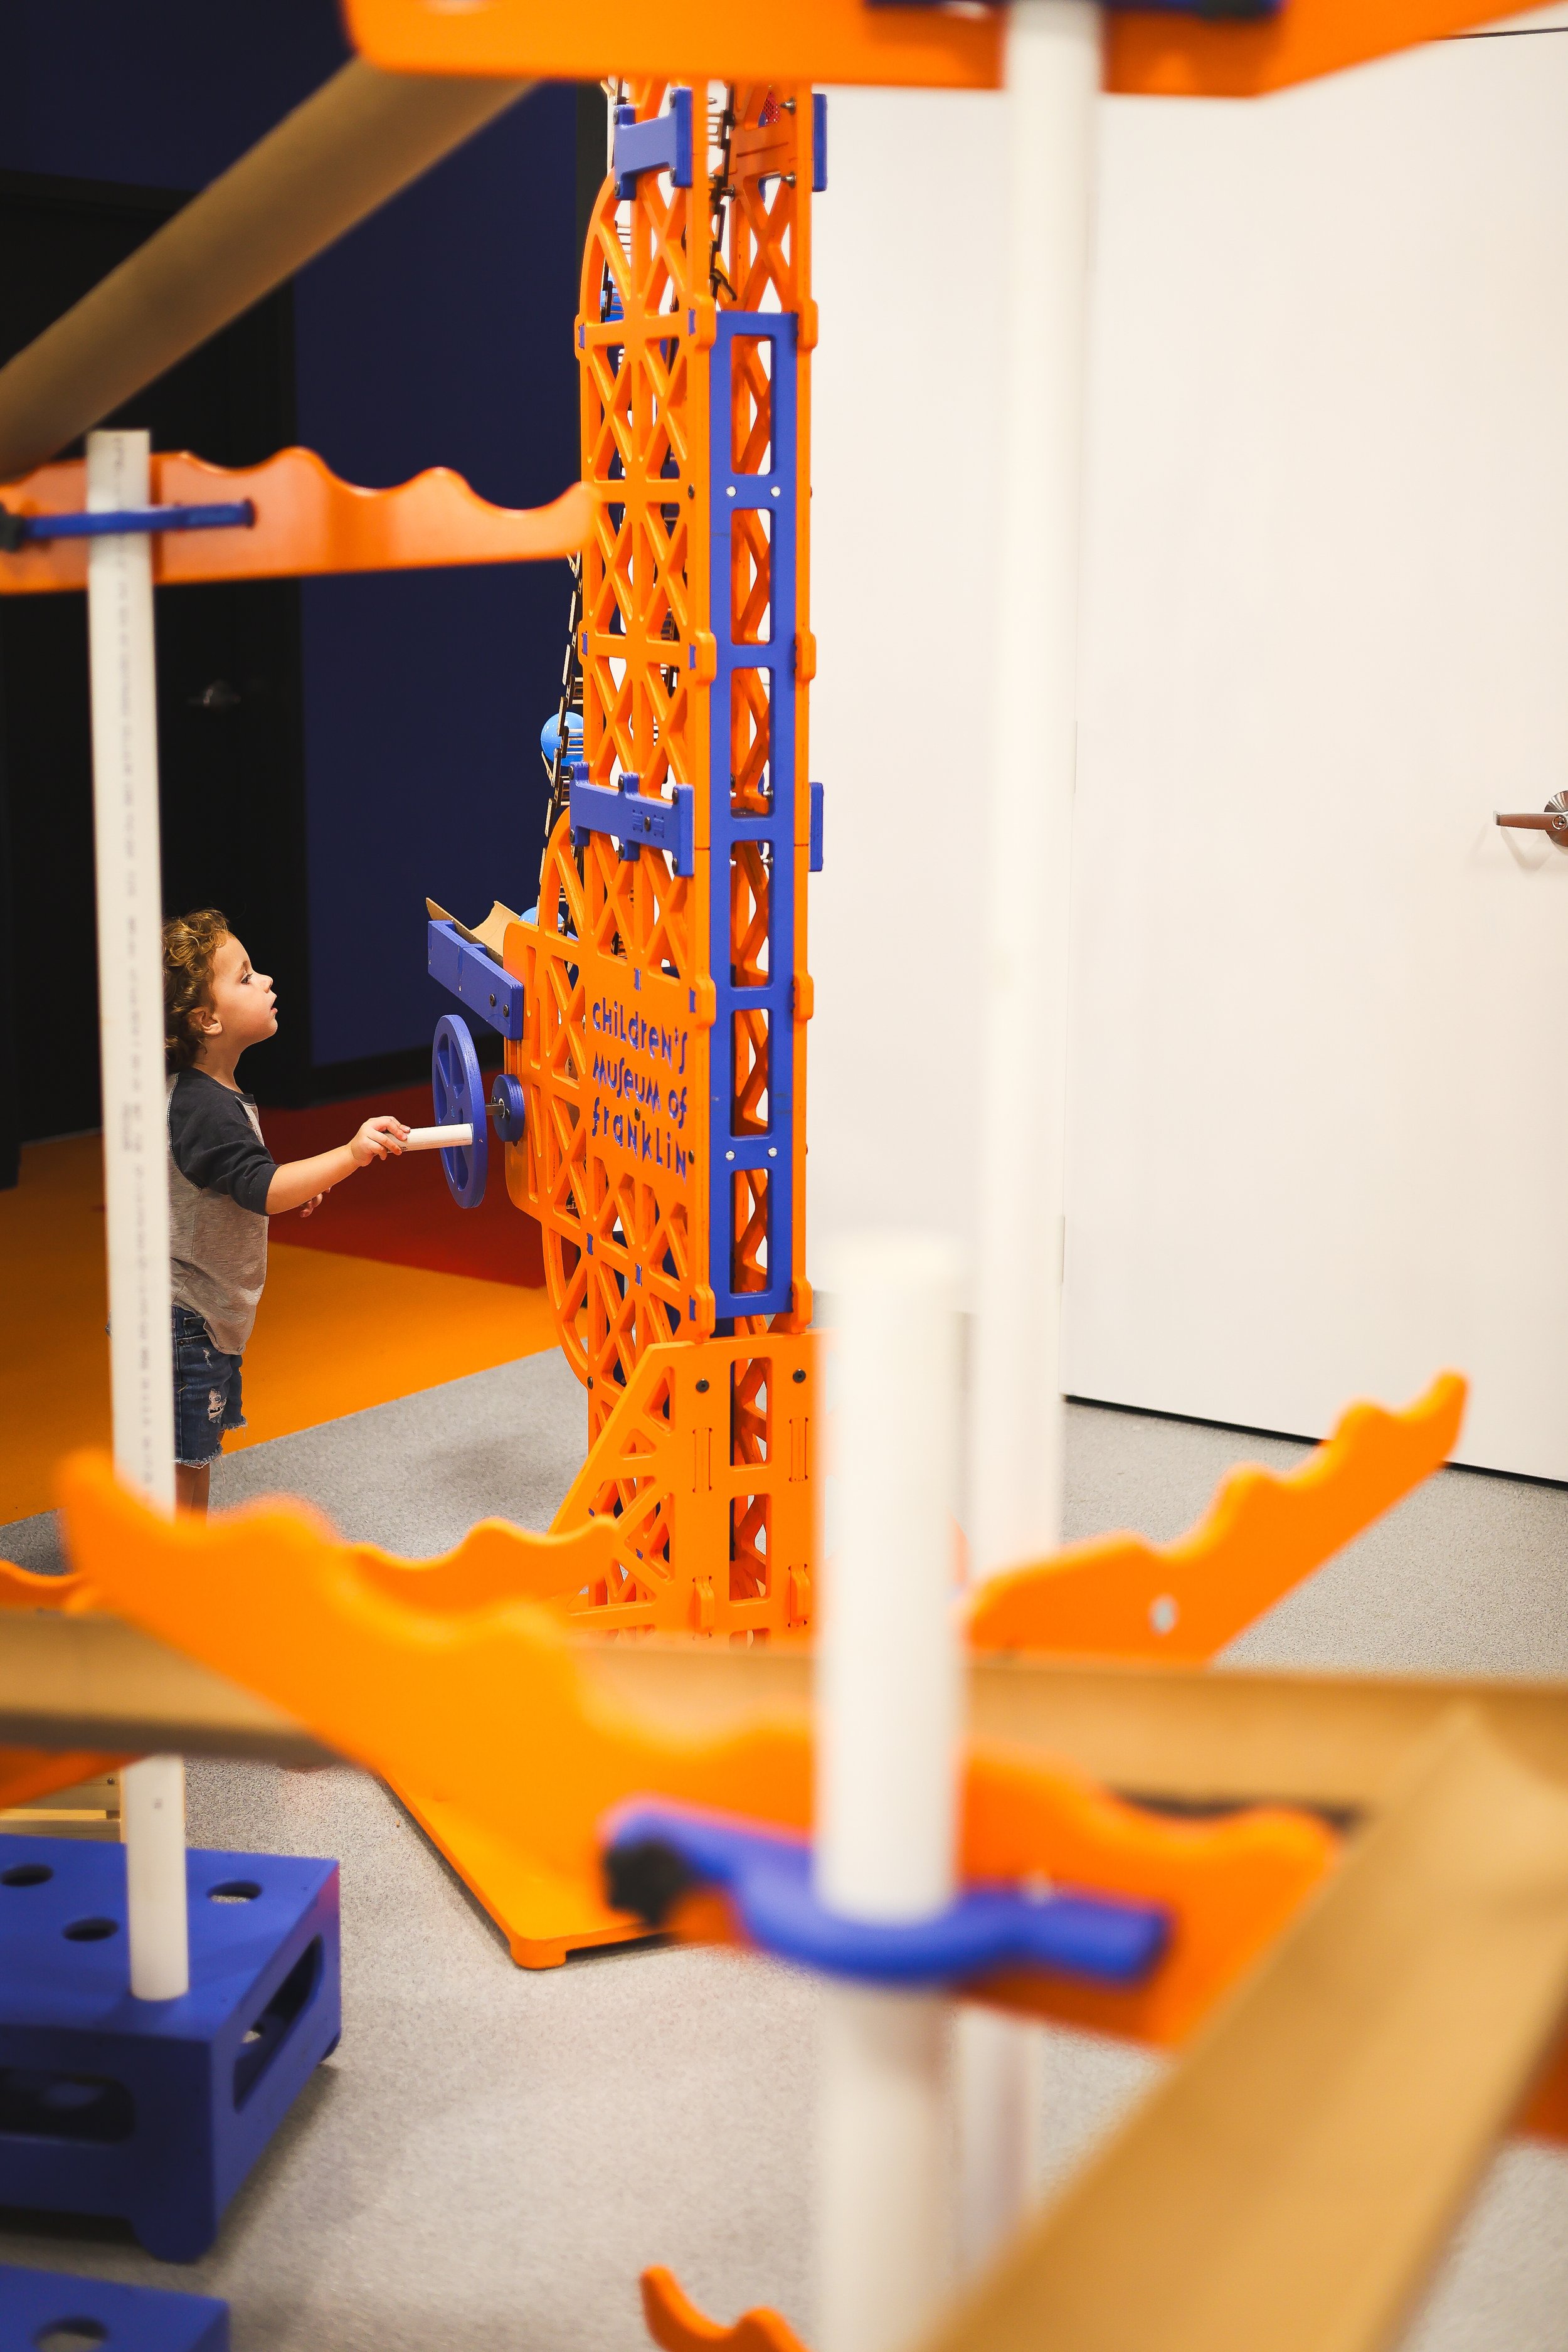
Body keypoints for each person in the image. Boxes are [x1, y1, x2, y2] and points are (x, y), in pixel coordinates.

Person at [162, 908, 410, 1515]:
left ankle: (184, 1561)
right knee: (181, 1460)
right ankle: (172, 1573)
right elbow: (262, 1187)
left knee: (194, 1454)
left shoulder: (212, 1097)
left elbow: (244, 1182)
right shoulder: (204, 1106)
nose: (267, 981)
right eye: (245, 977)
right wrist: (350, 1155)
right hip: (185, 1321)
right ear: (207, 1019)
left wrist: (297, 1183)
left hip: (203, 1317)